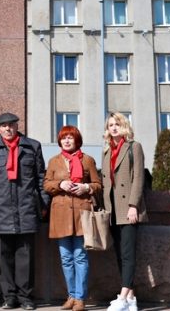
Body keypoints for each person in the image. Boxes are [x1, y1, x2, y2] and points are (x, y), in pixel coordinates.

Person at [0, 112, 47, 310]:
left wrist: (44, 204)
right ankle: (9, 297)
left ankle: (26, 297)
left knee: (25, 258)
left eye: (11, 125)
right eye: (4, 126)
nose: (8, 129)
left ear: (17, 126)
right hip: (0, 212)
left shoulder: (32, 147)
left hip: (26, 211)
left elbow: (41, 178)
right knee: (4, 258)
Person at [43, 126, 102, 311]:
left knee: (80, 257)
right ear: (59, 141)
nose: (67, 141)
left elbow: (98, 185)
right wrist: (60, 183)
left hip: (81, 214)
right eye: (63, 138)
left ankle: (80, 298)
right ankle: (71, 295)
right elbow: (46, 184)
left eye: (70, 138)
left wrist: (86, 188)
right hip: (60, 214)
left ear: (77, 140)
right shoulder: (54, 161)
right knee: (66, 258)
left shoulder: (88, 160)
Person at [101, 113, 147, 311]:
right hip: (112, 209)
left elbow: (138, 178)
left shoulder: (133, 147)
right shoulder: (106, 151)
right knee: (120, 255)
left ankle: (122, 297)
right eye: (110, 125)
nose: (113, 128)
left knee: (128, 254)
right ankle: (131, 300)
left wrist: (133, 205)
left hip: (128, 209)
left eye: (117, 124)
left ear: (124, 126)